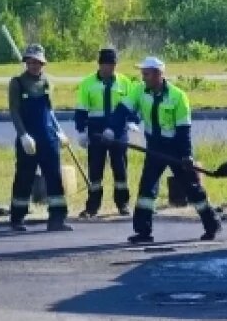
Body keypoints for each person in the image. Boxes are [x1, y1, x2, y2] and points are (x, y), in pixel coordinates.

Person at [102, 56, 220, 244]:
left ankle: (212, 224)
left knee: (192, 189)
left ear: (158, 74)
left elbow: (183, 129)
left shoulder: (178, 96)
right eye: (142, 74)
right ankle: (143, 231)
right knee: (146, 190)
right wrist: (110, 129)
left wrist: (186, 154)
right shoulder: (139, 91)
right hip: (154, 147)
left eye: (146, 74)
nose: (143, 77)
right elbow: (122, 110)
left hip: (175, 148)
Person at [9, 43, 71, 233]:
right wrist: (23, 135)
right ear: (26, 62)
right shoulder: (17, 83)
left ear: (43, 64)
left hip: (48, 138)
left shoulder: (46, 82)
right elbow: (14, 111)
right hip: (29, 140)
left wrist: (60, 131)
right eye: (31, 61)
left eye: (38, 62)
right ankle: (17, 217)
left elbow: (50, 111)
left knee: (54, 178)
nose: (34, 65)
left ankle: (57, 218)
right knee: (24, 178)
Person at [74, 47, 135, 217]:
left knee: (120, 169)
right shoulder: (87, 83)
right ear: (99, 65)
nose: (109, 68)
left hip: (118, 131)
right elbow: (81, 110)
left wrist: (131, 122)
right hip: (96, 131)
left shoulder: (125, 82)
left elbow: (131, 106)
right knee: (95, 170)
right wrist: (81, 131)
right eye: (106, 64)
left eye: (113, 64)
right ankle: (92, 207)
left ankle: (123, 204)